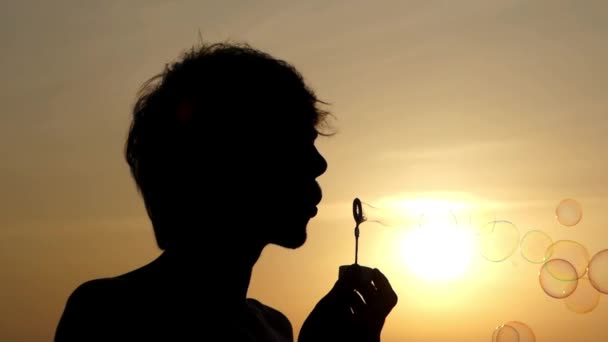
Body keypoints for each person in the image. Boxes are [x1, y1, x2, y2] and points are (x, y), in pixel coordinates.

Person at [55, 40, 398, 341]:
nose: (318, 164)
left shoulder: (275, 327)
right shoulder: (110, 314)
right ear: (230, 158)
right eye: (293, 142)